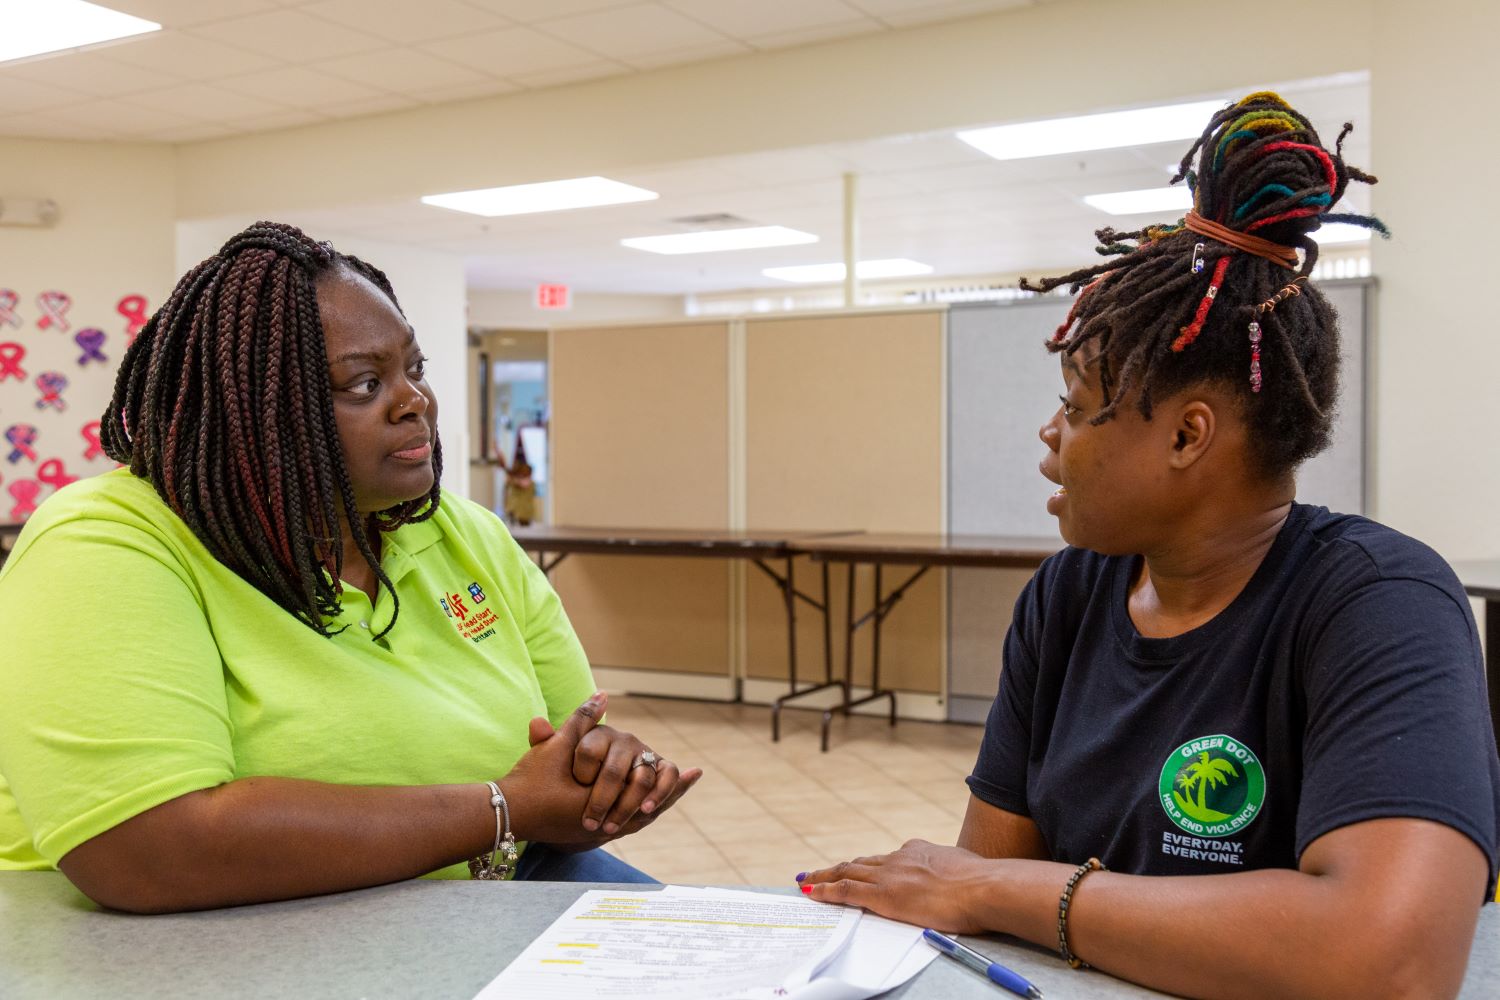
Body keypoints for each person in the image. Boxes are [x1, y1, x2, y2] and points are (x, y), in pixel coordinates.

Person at [799, 93, 1500, 998]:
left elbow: (1389, 963)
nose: (1051, 434)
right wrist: (991, 891)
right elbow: (981, 913)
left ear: (1187, 436)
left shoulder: (1383, 602)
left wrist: (1010, 892)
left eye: (1079, 405)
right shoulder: (1068, 596)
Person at [0, 222, 700, 913]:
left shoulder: (465, 534)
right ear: (253, 413)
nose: (414, 402)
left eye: (413, 370)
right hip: (198, 949)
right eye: (364, 384)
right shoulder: (107, 543)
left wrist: (602, 774)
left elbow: (566, 751)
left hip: (482, 903)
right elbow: (145, 854)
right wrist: (503, 808)